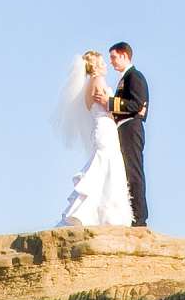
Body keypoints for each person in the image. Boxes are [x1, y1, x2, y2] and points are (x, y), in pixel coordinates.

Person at [54, 49, 133, 229]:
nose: (107, 65)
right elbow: (107, 106)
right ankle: (105, 215)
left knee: (103, 165)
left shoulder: (88, 84)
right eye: (103, 63)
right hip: (106, 127)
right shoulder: (98, 81)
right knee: (107, 165)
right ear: (96, 66)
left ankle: (94, 213)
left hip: (100, 127)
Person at [108, 43, 149, 228]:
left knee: (134, 172)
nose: (112, 62)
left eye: (114, 57)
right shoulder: (125, 78)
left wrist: (110, 103)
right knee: (126, 172)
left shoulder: (135, 76)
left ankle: (139, 218)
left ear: (125, 55)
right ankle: (132, 214)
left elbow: (137, 104)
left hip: (131, 128)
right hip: (124, 128)